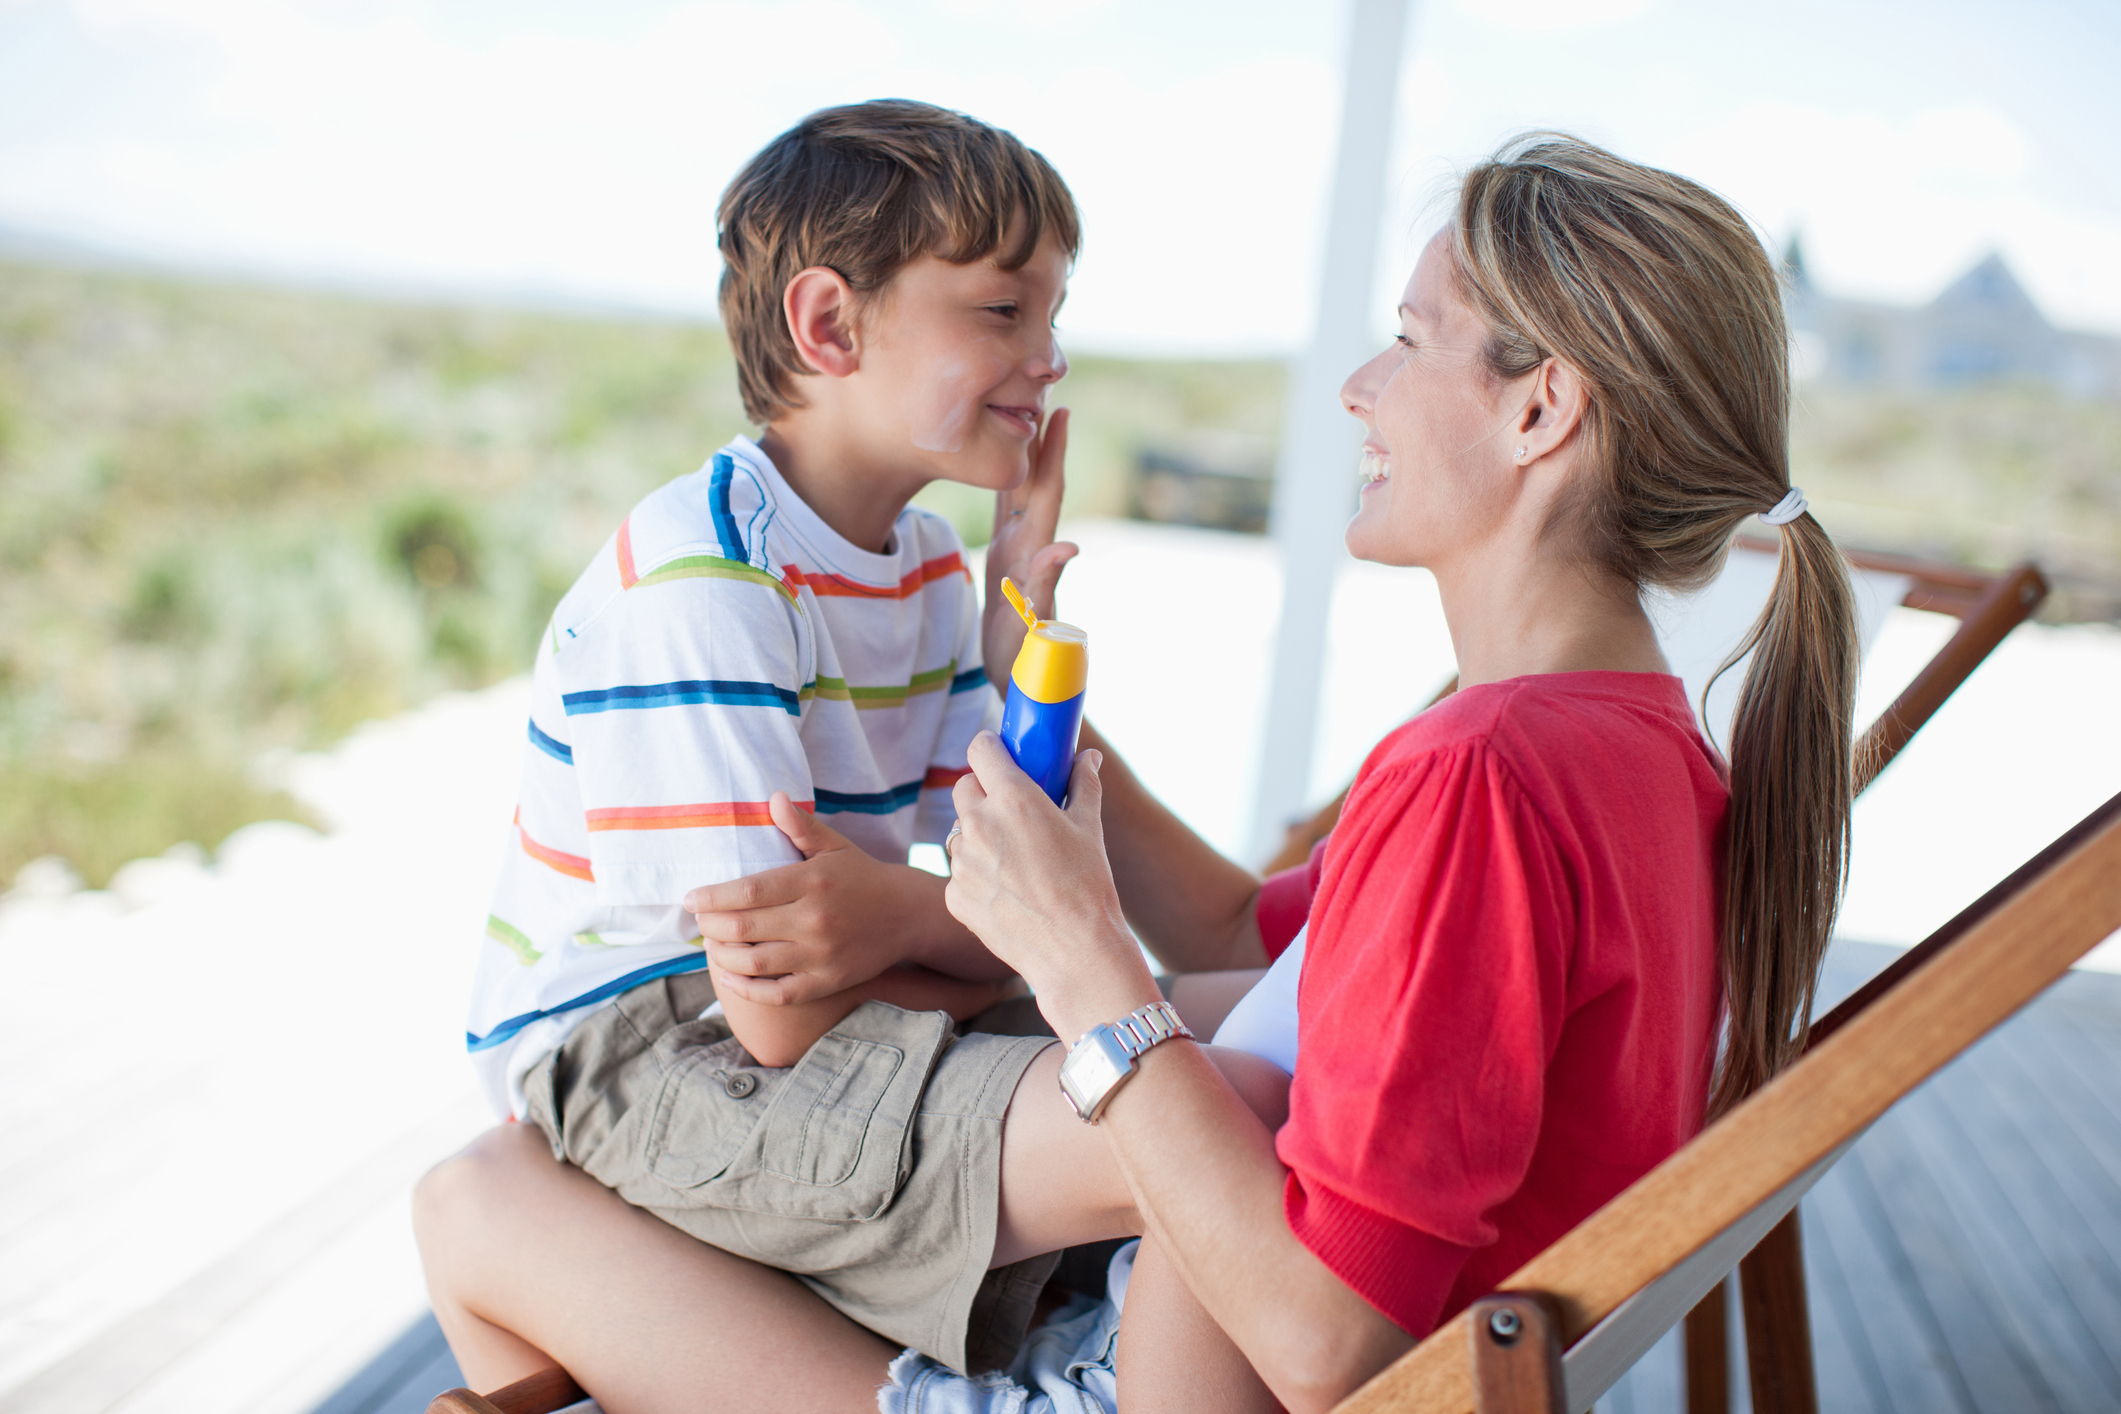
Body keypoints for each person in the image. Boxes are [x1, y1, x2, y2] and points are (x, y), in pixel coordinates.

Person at [416, 133, 1861, 1414]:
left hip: (1167, 1371)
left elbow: (1324, 1344)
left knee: (476, 1200)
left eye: (1409, 340)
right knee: (491, 1195)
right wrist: (1013, 666)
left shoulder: (1481, 773)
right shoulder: (1631, 744)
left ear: (1539, 411)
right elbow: (1258, 948)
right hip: (1217, 1324)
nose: (1359, 387)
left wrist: (1079, 958)